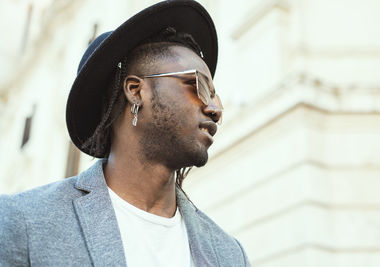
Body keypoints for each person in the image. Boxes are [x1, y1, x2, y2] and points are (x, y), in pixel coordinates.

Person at [0, 1, 250, 266]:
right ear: (135, 90)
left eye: (215, 97)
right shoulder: (23, 223)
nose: (215, 110)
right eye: (199, 86)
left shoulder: (230, 254)